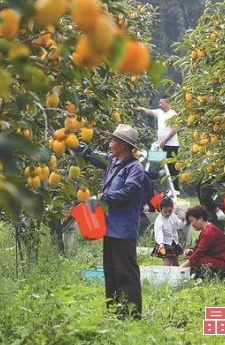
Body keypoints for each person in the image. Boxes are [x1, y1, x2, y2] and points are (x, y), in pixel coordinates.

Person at [77, 124, 146, 319]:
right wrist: (70, 143)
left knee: (126, 272)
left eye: (113, 141)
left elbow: (128, 192)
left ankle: (131, 314)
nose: (110, 144)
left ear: (124, 145)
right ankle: (115, 311)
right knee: (111, 272)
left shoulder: (135, 168)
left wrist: (102, 197)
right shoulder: (112, 161)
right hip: (109, 228)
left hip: (123, 229)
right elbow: (90, 155)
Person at [134, 97, 180, 192]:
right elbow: (150, 112)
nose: (159, 104)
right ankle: (167, 186)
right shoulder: (159, 112)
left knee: (172, 167)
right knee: (159, 162)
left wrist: (165, 140)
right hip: (160, 145)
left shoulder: (173, 114)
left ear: (167, 103)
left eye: (161, 103)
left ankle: (175, 189)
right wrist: (141, 108)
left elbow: (174, 130)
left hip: (171, 145)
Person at [180, 205, 225, 278]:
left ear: (200, 218)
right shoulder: (207, 229)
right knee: (192, 256)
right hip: (219, 261)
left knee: (199, 261)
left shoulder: (209, 231)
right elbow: (199, 249)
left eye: (192, 221)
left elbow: (199, 252)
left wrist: (182, 267)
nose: (192, 224)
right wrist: (190, 251)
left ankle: (196, 277)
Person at [150, 196, 183, 266]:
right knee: (167, 263)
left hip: (174, 242)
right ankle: (166, 275)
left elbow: (178, 225)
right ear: (160, 209)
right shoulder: (159, 220)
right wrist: (161, 244)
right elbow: (159, 233)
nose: (168, 213)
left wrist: (182, 221)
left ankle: (176, 275)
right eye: (165, 212)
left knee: (176, 262)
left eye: (170, 211)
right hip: (164, 243)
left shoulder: (173, 216)